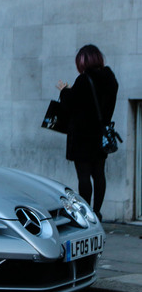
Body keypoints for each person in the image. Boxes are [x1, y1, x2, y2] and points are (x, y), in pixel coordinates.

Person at [56, 44, 118, 221]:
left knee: (84, 176)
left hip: (83, 136)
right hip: (101, 135)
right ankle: (97, 211)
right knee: (99, 174)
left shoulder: (84, 80)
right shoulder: (111, 79)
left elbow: (70, 103)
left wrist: (64, 91)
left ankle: (86, 212)